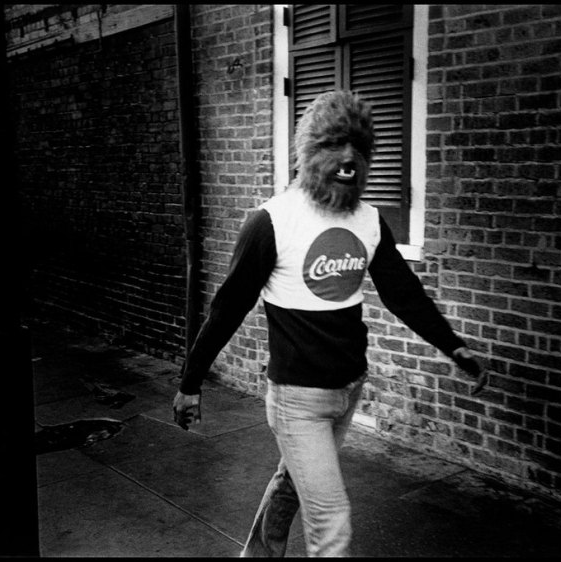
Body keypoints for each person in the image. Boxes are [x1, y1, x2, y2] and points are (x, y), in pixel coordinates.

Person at [173, 90, 487, 557]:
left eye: (358, 149)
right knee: (331, 519)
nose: (348, 159)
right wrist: (190, 382)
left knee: (292, 483)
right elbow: (227, 307)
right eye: (335, 146)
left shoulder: (368, 219)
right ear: (309, 152)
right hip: (297, 398)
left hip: (348, 388)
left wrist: (454, 346)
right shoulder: (272, 222)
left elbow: (404, 294)